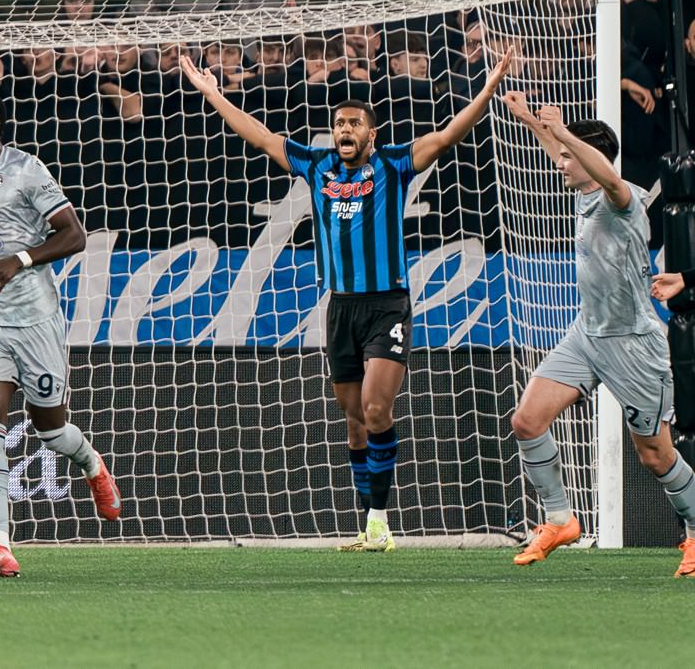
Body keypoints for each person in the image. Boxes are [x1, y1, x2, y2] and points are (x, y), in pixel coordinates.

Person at [179, 44, 516, 553]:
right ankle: (367, 524)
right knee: (355, 421)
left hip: (387, 304)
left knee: (379, 410)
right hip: (340, 309)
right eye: (339, 123)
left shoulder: (394, 165)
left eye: (355, 124)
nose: (345, 131)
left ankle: (380, 522)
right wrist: (213, 94)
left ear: (371, 134)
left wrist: (487, 90)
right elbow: (262, 136)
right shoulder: (316, 167)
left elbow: (447, 135)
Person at [499, 94, 695, 575]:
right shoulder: (584, 187)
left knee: (655, 454)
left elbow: (603, 172)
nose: (560, 163)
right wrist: (531, 121)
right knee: (526, 421)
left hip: (633, 345)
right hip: (586, 335)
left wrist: (564, 132)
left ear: (593, 157)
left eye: (569, 156)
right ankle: (561, 519)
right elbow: (567, 154)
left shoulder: (620, 197)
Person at [0, 91, 120, 579]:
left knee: (51, 431)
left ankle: (91, 463)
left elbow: (72, 235)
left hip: (35, 321)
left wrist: (16, 261)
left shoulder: (26, 170)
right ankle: (0, 545)